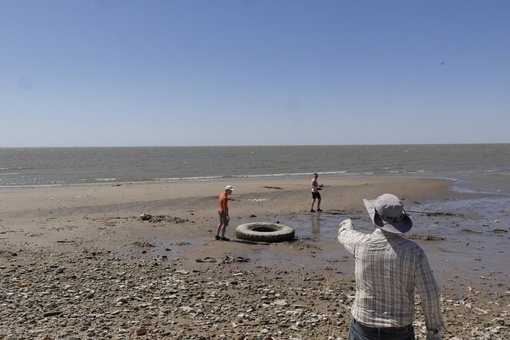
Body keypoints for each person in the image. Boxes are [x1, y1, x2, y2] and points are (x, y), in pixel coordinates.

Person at [337, 193, 445, 340]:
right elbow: (430, 294)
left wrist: (346, 223)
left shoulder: (360, 244)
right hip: (399, 331)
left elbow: (344, 234)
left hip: (363, 328)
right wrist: (433, 332)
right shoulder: (414, 252)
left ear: (375, 218)